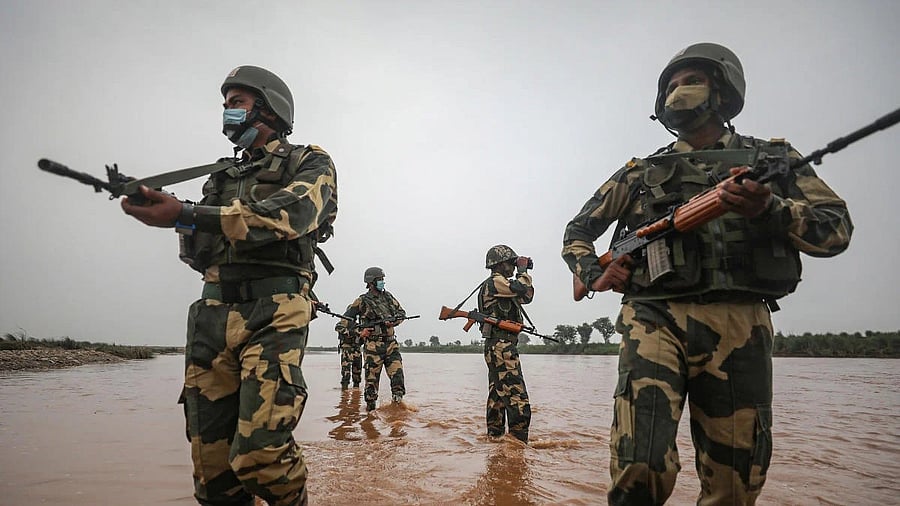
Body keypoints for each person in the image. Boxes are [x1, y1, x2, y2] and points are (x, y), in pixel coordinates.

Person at [561, 43, 852, 504]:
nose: (680, 91)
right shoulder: (640, 172)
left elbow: (836, 231)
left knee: (736, 483)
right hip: (653, 317)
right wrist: (595, 273)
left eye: (691, 81)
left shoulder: (771, 160)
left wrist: (772, 209)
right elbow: (578, 230)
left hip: (741, 323)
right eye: (672, 85)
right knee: (640, 462)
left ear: (724, 91)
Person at [121, 65, 338, 506]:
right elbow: (201, 254)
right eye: (224, 105)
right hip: (212, 316)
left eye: (236, 103)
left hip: (274, 310)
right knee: (212, 473)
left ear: (269, 108)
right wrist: (171, 213)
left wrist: (187, 214)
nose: (227, 112)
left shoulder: (309, 162)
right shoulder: (220, 178)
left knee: (261, 455)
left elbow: (291, 214)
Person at [479, 245, 534, 443]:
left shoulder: (502, 285)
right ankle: (518, 446)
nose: (512, 267)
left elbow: (526, 296)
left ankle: (495, 443)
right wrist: (522, 271)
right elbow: (519, 288)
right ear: (500, 264)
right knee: (516, 395)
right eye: (510, 263)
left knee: (498, 397)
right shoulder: (495, 283)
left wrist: (523, 272)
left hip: (500, 346)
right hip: (501, 346)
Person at [338, 267, 408, 411]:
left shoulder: (388, 297)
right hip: (372, 347)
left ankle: (397, 412)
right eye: (380, 280)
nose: (382, 282)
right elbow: (341, 325)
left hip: (391, 344)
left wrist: (394, 322)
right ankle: (370, 417)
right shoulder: (361, 301)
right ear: (371, 282)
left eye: (383, 279)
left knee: (398, 379)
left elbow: (402, 313)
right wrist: (360, 332)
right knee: (371, 385)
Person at [335, 322, 362, 390]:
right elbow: (338, 328)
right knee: (345, 373)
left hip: (357, 350)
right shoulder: (342, 324)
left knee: (357, 373)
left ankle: (356, 392)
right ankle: (344, 391)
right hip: (347, 350)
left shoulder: (359, 324)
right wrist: (354, 332)